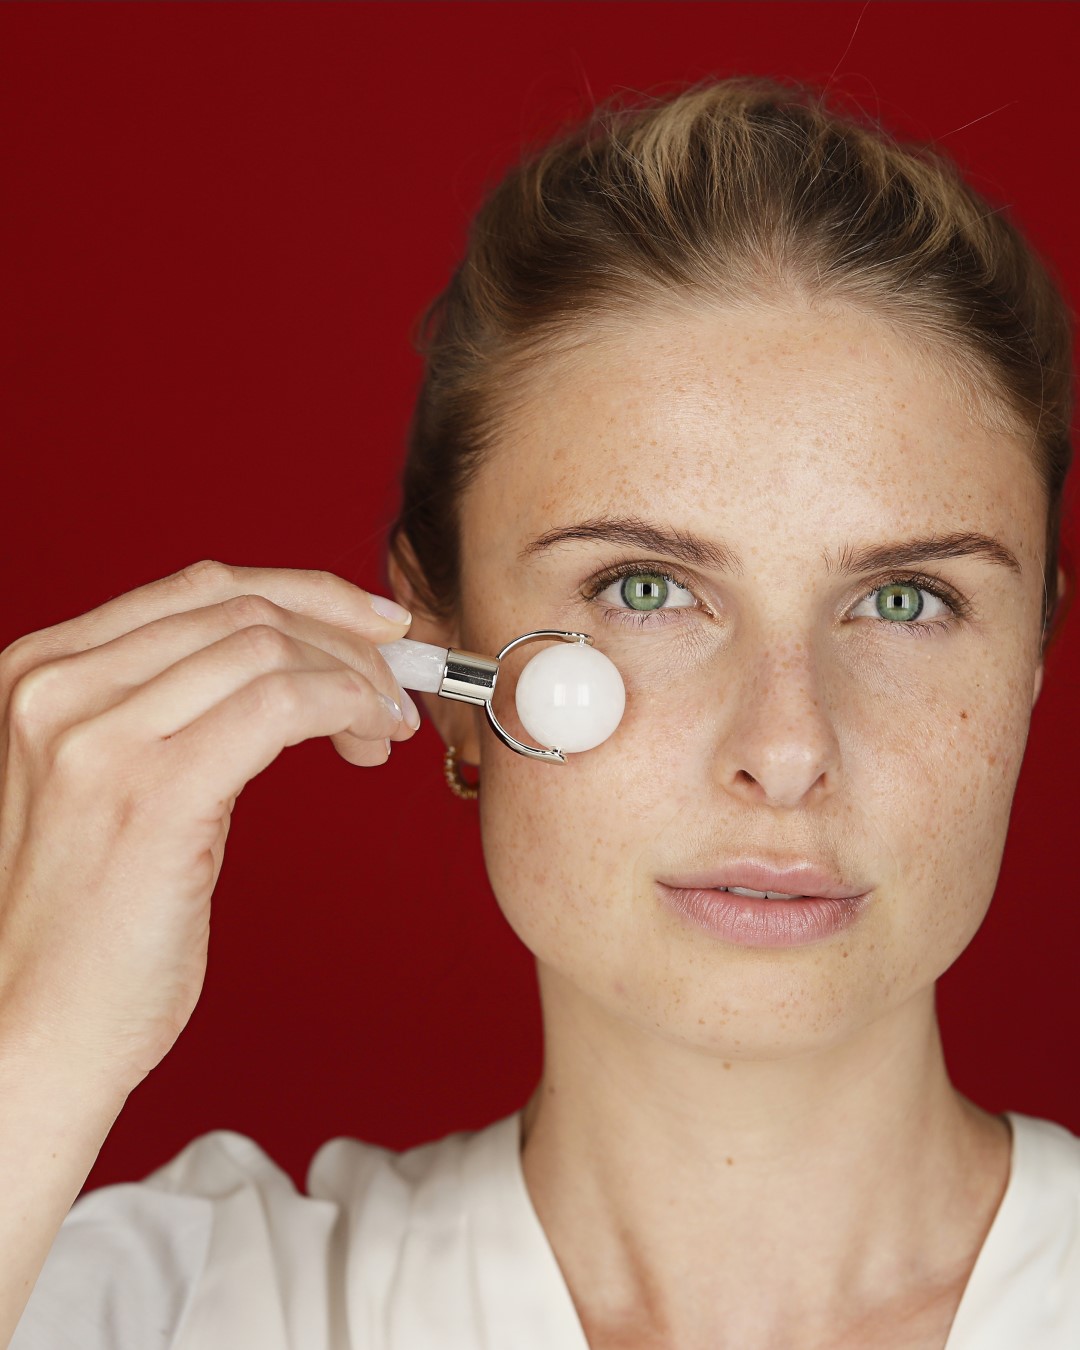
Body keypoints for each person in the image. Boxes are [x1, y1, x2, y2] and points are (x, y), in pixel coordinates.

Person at [3, 75, 1078, 1350]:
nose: (786, 752)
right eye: (645, 589)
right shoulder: (171, 1307)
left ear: (1030, 663)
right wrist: (41, 1040)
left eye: (905, 601)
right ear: (444, 660)